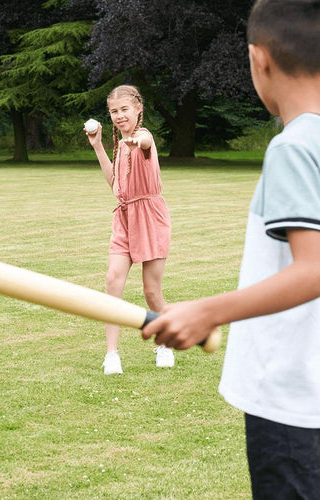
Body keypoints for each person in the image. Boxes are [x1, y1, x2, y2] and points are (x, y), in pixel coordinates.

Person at [142, 0, 320, 497]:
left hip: (293, 402)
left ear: (258, 59)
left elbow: (315, 269)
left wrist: (208, 311)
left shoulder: (295, 147)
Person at [86, 84, 172, 375]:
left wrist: (138, 142)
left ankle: (164, 343)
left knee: (151, 292)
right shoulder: (119, 145)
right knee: (113, 280)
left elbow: (146, 140)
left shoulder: (142, 138)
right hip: (124, 218)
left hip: (150, 217)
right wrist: (98, 145)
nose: (119, 115)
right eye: (113, 111)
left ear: (138, 109)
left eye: (124, 109)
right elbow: (115, 186)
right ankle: (112, 354)